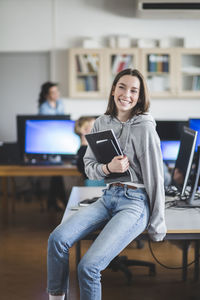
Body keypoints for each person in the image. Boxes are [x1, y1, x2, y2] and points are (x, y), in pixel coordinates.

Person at [47, 68, 167, 300]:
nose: (126, 94)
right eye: (122, 87)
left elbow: (155, 177)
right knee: (57, 239)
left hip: (135, 201)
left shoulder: (145, 128)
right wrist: (108, 169)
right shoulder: (101, 122)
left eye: (134, 90)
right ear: (113, 89)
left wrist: (157, 224)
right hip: (108, 196)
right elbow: (89, 165)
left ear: (140, 96)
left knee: (88, 267)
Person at [38, 81, 66, 211]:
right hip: (48, 141)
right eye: (53, 92)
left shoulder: (60, 104)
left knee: (58, 171)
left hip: (59, 139)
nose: (57, 94)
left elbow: (63, 121)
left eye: (57, 91)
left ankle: (54, 200)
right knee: (56, 171)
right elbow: (48, 125)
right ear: (47, 95)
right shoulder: (44, 107)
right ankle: (60, 200)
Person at [74, 116, 105, 186]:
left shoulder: (87, 149)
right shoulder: (84, 151)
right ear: (83, 130)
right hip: (94, 183)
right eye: (93, 126)